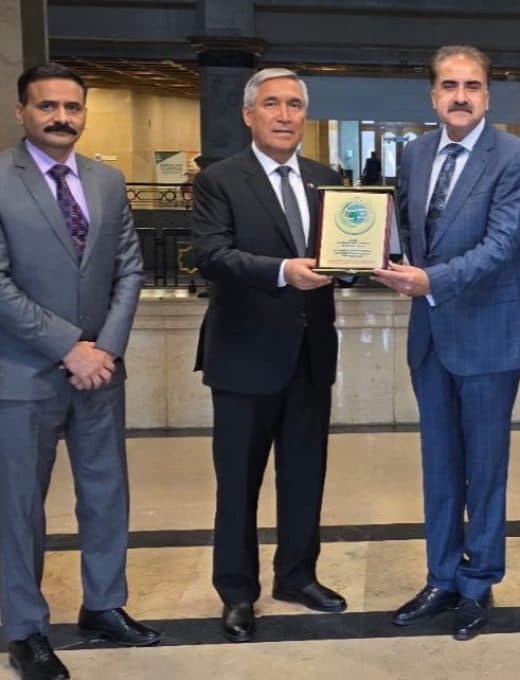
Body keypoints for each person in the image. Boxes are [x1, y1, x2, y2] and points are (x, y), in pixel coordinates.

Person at [372, 44, 520, 641]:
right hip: (430, 336)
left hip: (488, 334)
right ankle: (442, 576)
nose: (460, 96)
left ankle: (478, 583)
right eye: (449, 86)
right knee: (439, 467)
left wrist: (429, 281)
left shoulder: (514, 157)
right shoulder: (415, 153)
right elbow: (412, 230)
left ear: (488, 96)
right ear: (434, 95)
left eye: (471, 86)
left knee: (485, 470)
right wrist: (380, 257)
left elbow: (501, 246)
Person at [0, 63, 159, 680]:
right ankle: (25, 630)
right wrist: (71, 347)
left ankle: (104, 605)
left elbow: (130, 269)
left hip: (101, 373)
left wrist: (106, 349)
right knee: (19, 509)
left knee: (105, 493)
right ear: (22, 111)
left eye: (72, 107)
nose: (62, 117)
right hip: (23, 375)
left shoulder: (107, 181)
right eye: (48, 106)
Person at [192, 68, 345, 644]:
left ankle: (297, 575)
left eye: (295, 105)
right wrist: (283, 271)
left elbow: (337, 253)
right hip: (242, 357)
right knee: (238, 484)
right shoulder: (219, 180)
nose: (285, 115)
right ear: (249, 113)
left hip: (310, 354)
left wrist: (354, 264)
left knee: (305, 476)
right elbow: (211, 255)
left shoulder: (325, 179)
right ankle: (236, 591)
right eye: (273, 104)